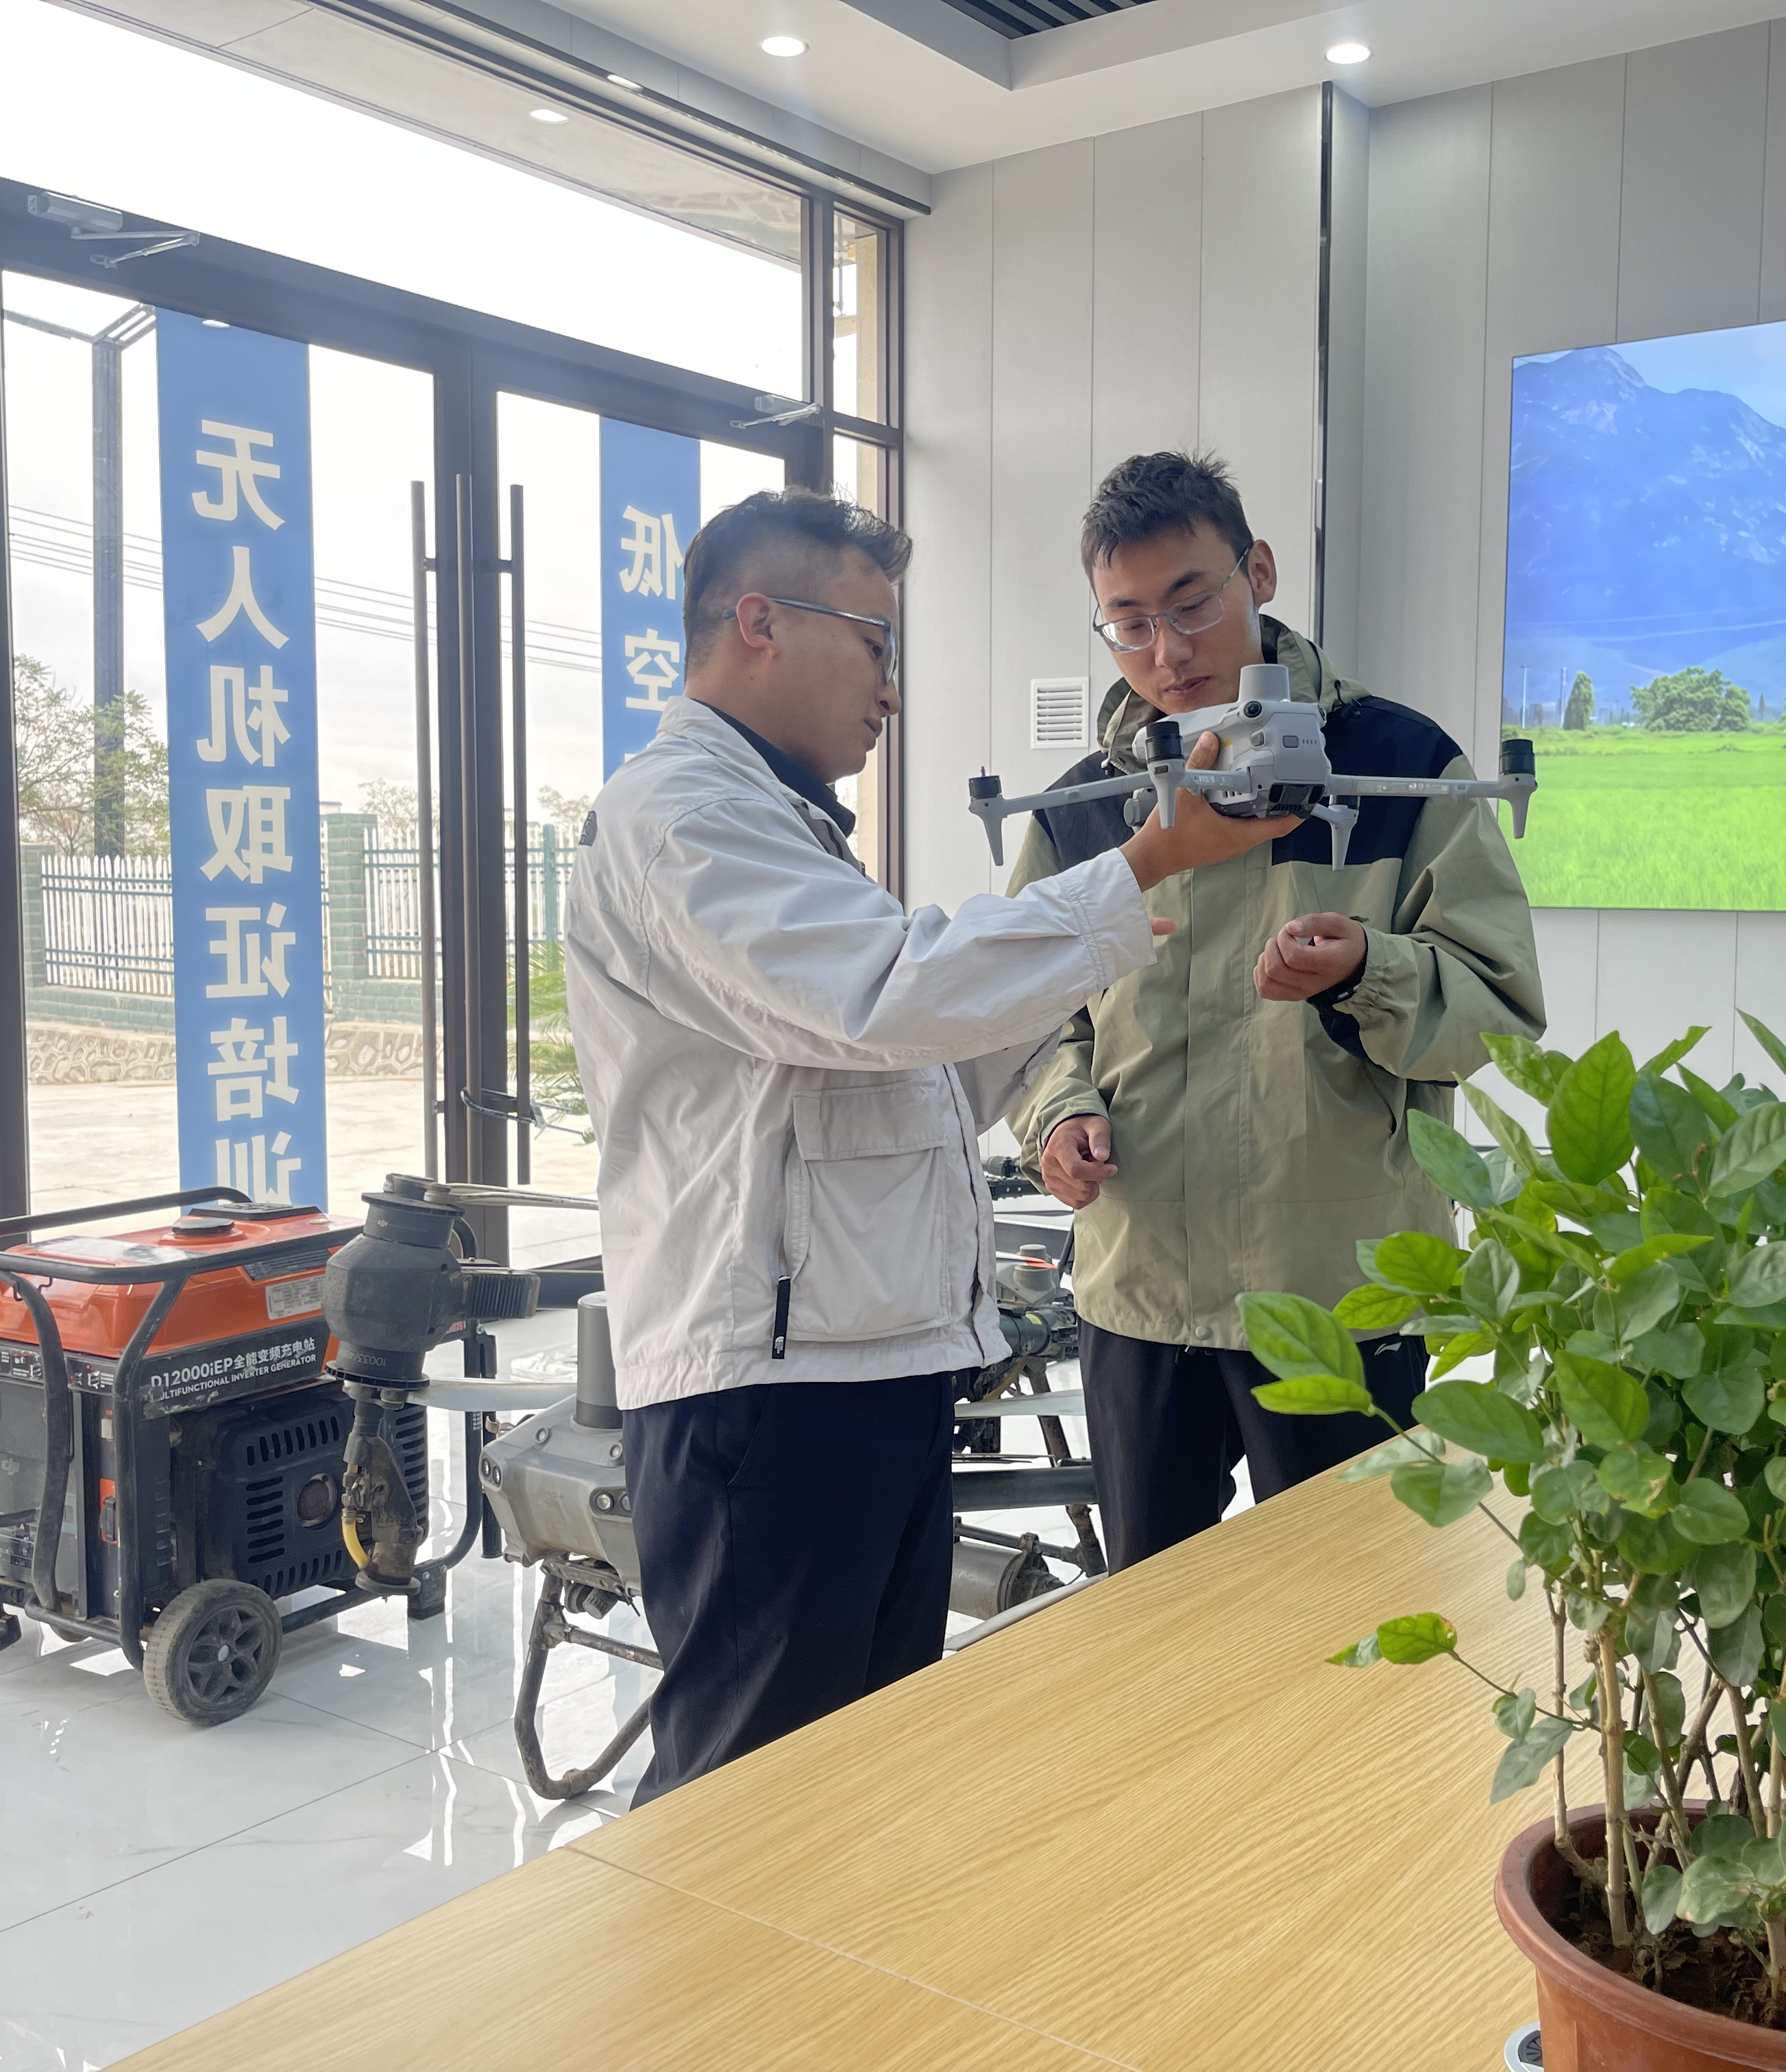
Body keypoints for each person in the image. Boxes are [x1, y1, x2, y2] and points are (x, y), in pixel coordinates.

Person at [563, 488, 1292, 1802]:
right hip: (767, 1391)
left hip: (861, 1363)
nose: (891, 691)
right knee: (753, 1799)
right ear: (759, 623)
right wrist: (1138, 869)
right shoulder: (683, 817)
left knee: (859, 1777)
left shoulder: (775, 820)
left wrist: (1073, 997)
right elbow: (885, 994)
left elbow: (905, 1074)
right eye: (875, 644)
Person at [1005, 452, 1546, 1569]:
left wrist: (1367, 970)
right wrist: (1058, 1113)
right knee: (1153, 1623)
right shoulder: (1082, 811)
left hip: (1342, 1288)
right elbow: (1024, 1014)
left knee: (1353, 1619)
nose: (1168, 650)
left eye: (1191, 603)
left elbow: (1497, 1002)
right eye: (1129, 623)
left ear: (1258, 571)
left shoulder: (1400, 766)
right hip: (1140, 1292)